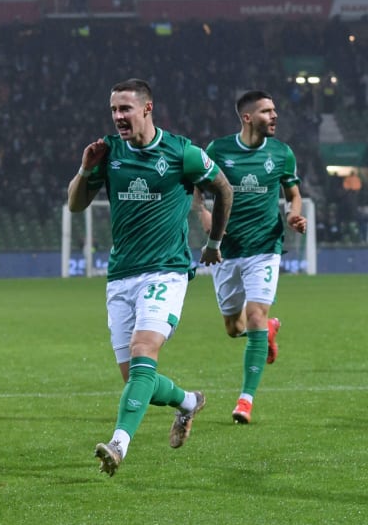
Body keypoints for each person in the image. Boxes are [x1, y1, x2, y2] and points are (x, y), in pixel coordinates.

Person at [67, 78, 234, 477]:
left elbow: (224, 189)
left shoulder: (181, 152)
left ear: (147, 108)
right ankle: (189, 402)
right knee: (137, 380)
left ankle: (118, 444)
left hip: (166, 272)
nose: (118, 116)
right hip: (120, 276)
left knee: (144, 349)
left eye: (125, 108)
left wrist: (213, 242)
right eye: (113, 110)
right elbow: (75, 204)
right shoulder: (109, 152)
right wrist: (85, 168)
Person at [193, 90, 307, 425]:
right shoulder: (218, 150)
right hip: (226, 250)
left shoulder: (282, 153)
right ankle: (266, 331)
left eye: (274, 110)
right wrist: (204, 215)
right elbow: (197, 189)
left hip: (265, 247)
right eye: (266, 111)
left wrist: (293, 215)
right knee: (234, 328)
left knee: (255, 315)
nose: (274, 116)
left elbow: (294, 195)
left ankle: (245, 401)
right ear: (247, 117)